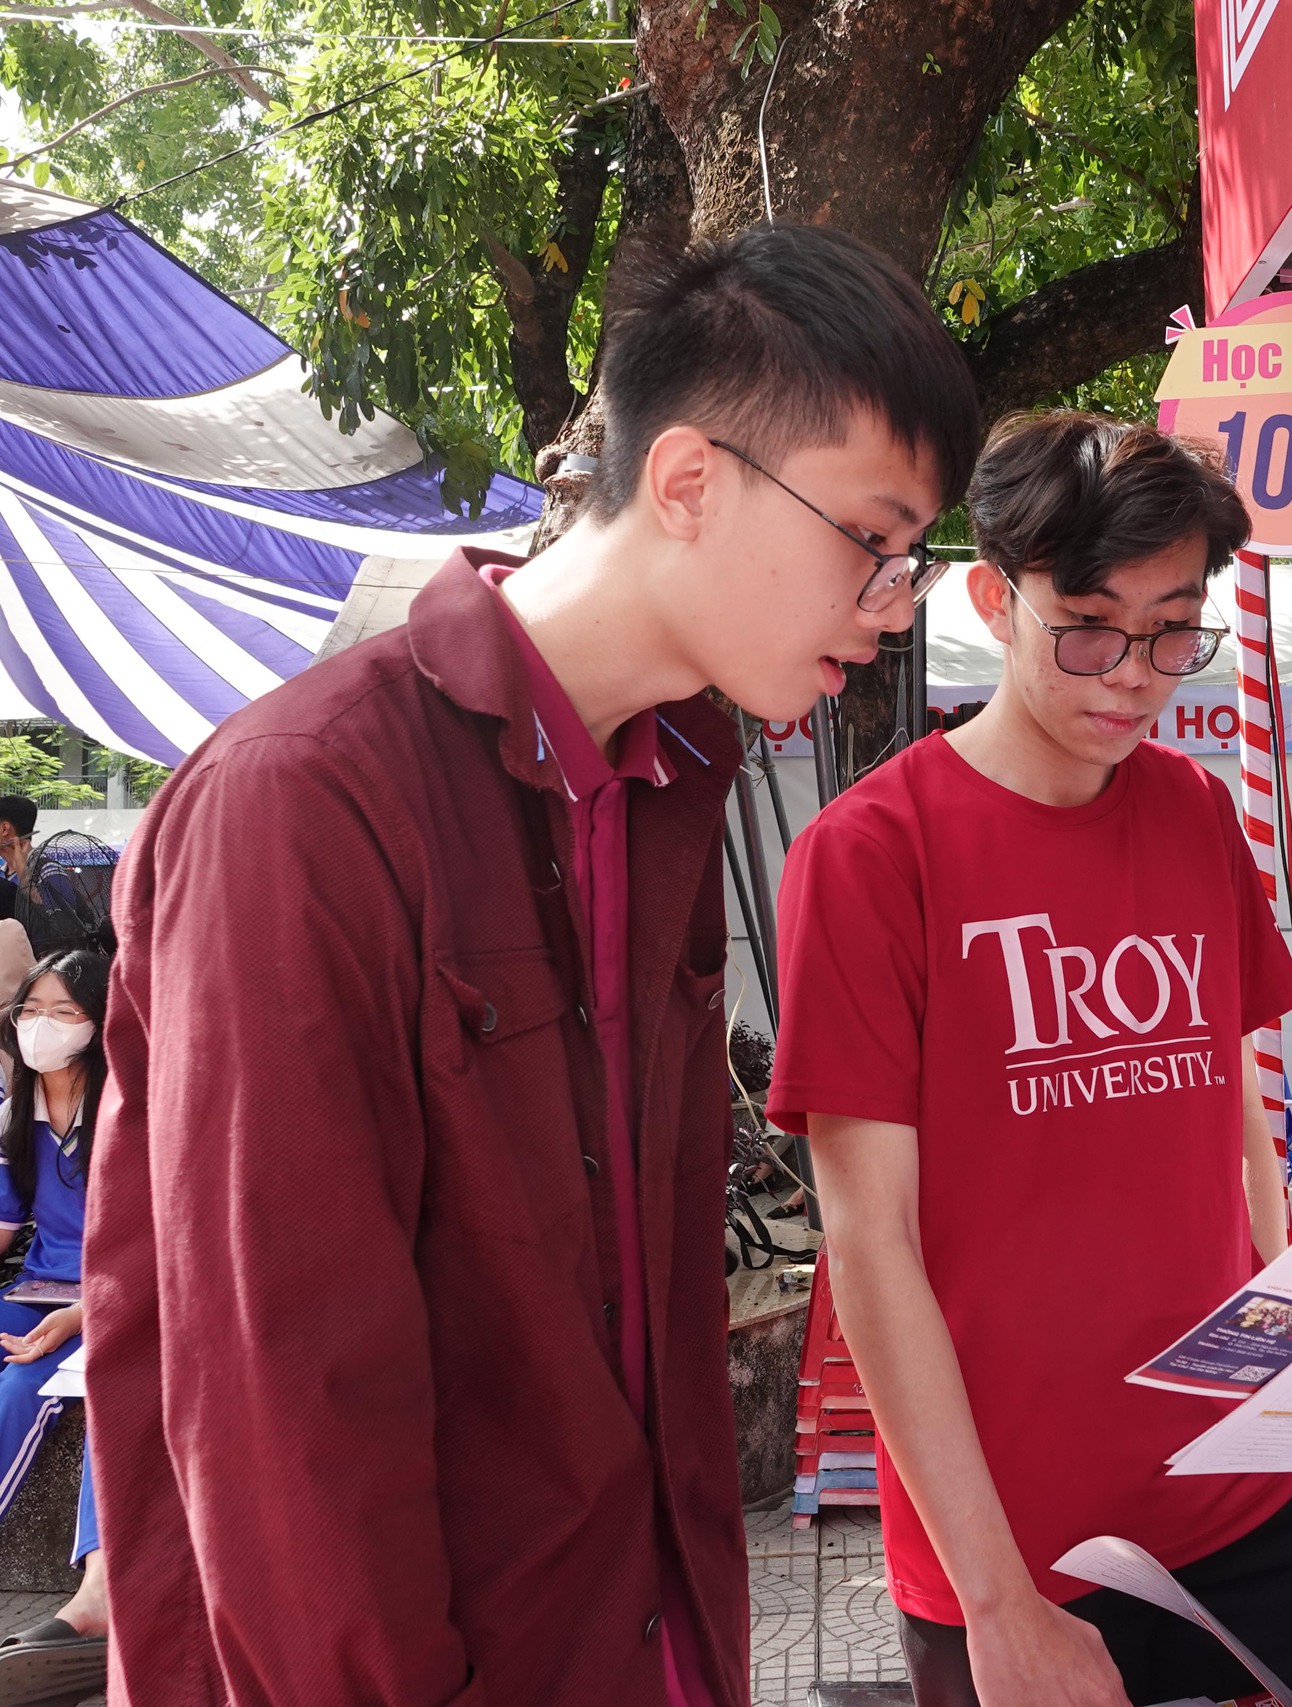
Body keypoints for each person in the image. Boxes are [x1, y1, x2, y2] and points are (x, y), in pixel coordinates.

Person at [86, 224, 981, 1706]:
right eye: (872, 541)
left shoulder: (669, 785)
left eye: (911, 558)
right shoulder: (303, 801)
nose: (893, 605)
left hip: (649, 1626)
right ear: (690, 481)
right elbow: (278, 1401)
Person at [767, 413, 1292, 1707]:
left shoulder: (1195, 811)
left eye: (1171, 628)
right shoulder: (873, 856)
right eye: (1087, 623)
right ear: (991, 594)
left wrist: (1283, 1373)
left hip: (1247, 1498)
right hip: (1016, 1548)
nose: (1133, 672)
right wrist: (993, 1596)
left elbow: (1229, 1106)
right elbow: (870, 1243)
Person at [0, 951, 108, 1704]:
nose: (43, 1027)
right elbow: (7, 1220)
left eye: (65, 1012)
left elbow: (158, 1238)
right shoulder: (15, 1107)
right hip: (38, 1287)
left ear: (99, 1023)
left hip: (117, 1291)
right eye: (31, 1009)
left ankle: (97, 1600)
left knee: (22, 1386)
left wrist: (86, 1308)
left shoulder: (130, 1104)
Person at [0, 800, 35, 924]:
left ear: (4, 828)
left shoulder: (46, 869)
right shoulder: (2, 871)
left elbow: (56, 920)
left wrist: (23, 873)